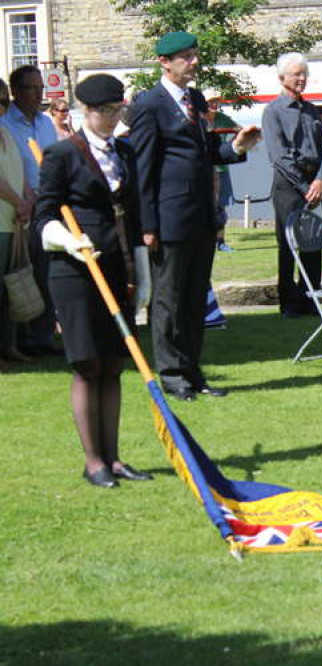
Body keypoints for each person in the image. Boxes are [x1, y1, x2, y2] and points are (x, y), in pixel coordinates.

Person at [34, 74, 153, 488]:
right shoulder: (60, 154)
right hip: (74, 272)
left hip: (116, 268)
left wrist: (142, 267)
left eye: (118, 110)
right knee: (88, 365)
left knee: (114, 364)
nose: (112, 118)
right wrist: (70, 241)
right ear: (86, 111)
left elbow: (134, 213)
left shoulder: (125, 150)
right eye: (105, 112)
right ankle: (93, 462)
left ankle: (115, 459)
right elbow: (43, 217)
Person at [130, 31, 260, 401]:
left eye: (194, 55)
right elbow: (143, 169)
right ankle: (172, 376)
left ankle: (192, 371)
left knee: (193, 300)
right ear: (164, 62)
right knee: (169, 301)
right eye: (186, 57)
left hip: (201, 217)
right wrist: (148, 225)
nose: (194, 63)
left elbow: (206, 153)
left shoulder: (195, 99)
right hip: (169, 220)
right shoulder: (149, 104)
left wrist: (235, 146)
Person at [262, 52, 322, 318]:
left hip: (315, 181)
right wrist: (305, 187)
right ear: (282, 78)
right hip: (290, 185)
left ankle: (310, 298)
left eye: (304, 74)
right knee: (288, 244)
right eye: (296, 74)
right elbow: (279, 156)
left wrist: (321, 179)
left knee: (312, 242)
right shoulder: (273, 112)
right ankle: (289, 302)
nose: (302, 79)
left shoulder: (311, 109)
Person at [1, 65, 59, 357]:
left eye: (41, 88)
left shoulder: (46, 124)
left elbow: (53, 162)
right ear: (16, 92)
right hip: (18, 210)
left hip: (46, 206)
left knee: (48, 272)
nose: (39, 94)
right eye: (32, 88)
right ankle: (19, 339)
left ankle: (42, 336)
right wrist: (24, 201)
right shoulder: (7, 124)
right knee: (20, 274)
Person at [0, 78, 32, 369]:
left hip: (12, 221)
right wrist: (18, 201)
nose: (1, 107)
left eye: (3, 102)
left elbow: (19, 171)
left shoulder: (6, 133)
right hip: (3, 218)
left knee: (10, 288)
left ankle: (10, 346)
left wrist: (27, 200)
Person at [205, 92, 238, 252]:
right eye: (211, 101)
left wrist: (230, 148)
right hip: (204, 170)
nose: (214, 104)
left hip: (222, 169)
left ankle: (221, 241)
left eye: (216, 101)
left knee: (221, 206)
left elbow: (239, 130)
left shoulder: (222, 119)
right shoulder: (198, 119)